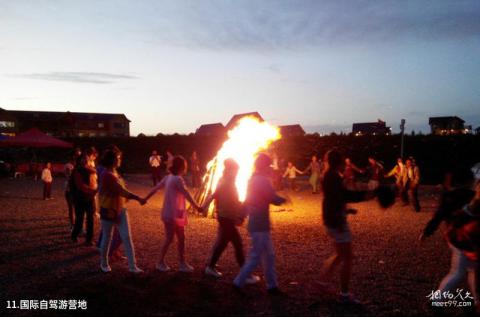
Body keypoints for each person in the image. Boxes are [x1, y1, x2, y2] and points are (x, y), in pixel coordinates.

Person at [319, 149, 372, 304]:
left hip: (332, 219)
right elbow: (343, 195)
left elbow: (333, 198)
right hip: (336, 221)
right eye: (342, 161)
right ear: (339, 162)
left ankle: (322, 282)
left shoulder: (329, 175)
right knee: (347, 257)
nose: (344, 164)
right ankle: (344, 294)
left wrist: (346, 209)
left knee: (339, 254)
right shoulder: (333, 177)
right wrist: (366, 195)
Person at [420, 166, 478, 306]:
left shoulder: (450, 196)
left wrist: (427, 231)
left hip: (457, 237)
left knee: (471, 270)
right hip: (466, 239)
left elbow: (439, 215)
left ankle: (476, 300)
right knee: (460, 272)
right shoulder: (472, 196)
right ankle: (437, 300)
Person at [233, 153, 286, 295]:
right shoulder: (262, 180)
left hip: (258, 222)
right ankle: (238, 282)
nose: (270, 168)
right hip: (259, 223)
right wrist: (284, 200)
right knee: (256, 255)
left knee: (269, 255)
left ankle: (272, 286)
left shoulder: (253, 179)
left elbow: (247, 199)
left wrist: (241, 215)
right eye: (269, 165)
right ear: (264, 165)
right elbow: (272, 198)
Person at [202, 159, 258, 284]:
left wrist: (204, 206)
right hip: (226, 218)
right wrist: (203, 207)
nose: (237, 173)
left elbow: (216, 196)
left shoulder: (224, 181)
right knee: (237, 244)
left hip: (225, 217)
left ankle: (210, 267)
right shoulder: (227, 183)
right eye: (236, 171)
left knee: (222, 243)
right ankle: (245, 275)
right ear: (230, 170)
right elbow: (218, 196)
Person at [144, 156, 202, 272]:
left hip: (169, 213)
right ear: (182, 167)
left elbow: (156, 188)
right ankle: (160, 262)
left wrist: (145, 198)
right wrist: (197, 207)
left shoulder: (168, 177)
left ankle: (182, 263)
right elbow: (186, 194)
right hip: (173, 215)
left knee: (180, 238)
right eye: (184, 166)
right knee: (170, 238)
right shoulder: (177, 179)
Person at [98, 146, 145, 273]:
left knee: (126, 237)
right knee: (107, 237)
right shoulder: (107, 175)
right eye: (118, 158)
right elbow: (121, 190)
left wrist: (126, 199)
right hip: (108, 210)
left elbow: (120, 191)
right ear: (112, 160)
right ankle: (103, 263)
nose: (120, 160)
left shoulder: (113, 172)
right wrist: (138, 198)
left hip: (120, 210)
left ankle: (132, 266)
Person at [71, 147, 98, 246]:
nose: (86, 161)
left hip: (89, 197)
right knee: (80, 219)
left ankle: (89, 239)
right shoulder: (77, 171)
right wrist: (93, 190)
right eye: (84, 160)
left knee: (90, 218)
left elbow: (93, 179)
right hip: (80, 198)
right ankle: (74, 235)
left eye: (87, 160)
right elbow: (80, 185)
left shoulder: (90, 170)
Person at [64, 160, 75, 228]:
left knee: (73, 208)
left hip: (72, 192)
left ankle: (73, 223)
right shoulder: (69, 177)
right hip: (69, 192)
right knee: (71, 208)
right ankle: (72, 223)